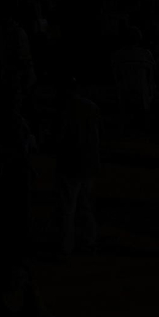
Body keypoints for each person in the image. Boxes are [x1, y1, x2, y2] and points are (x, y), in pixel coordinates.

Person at [53, 84, 100, 256]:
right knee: (85, 206)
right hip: (88, 163)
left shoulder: (65, 109)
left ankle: (65, 247)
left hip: (70, 163)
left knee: (67, 208)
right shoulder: (90, 107)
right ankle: (88, 242)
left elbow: (59, 137)